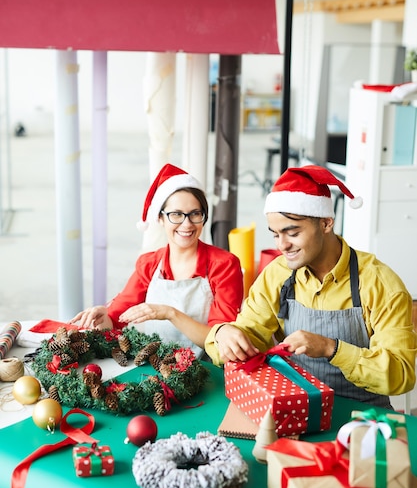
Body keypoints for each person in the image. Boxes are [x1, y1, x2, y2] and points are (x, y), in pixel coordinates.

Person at [205, 164, 417, 407]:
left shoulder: (380, 284)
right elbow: (249, 336)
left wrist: (331, 348)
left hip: (363, 416)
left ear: (326, 223)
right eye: (275, 234)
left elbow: (401, 375)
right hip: (298, 410)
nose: (282, 245)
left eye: (292, 233)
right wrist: (223, 334)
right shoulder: (277, 274)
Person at [71, 163, 244, 358]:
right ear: (160, 218)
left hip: (208, 372)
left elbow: (220, 339)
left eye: (195, 214)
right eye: (176, 214)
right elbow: (117, 317)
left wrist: (170, 313)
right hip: (156, 370)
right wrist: (103, 318)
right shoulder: (149, 264)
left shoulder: (224, 265)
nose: (186, 224)